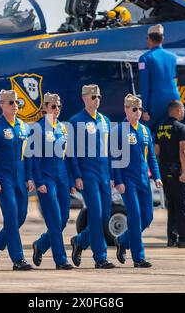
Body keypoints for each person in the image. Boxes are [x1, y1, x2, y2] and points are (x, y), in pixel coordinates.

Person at [0, 90, 35, 271]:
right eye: (11, 103)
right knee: (12, 217)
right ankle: (18, 259)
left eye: (17, 103)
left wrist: (29, 177)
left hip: (20, 177)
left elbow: (28, 155)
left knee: (21, 216)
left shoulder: (24, 127)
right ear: (2, 105)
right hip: (4, 178)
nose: (15, 106)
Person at [68, 84, 116, 269]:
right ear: (84, 98)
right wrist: (77, 176)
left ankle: (79, 241)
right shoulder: (76, 121)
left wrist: (112, 174)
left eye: (99, 97)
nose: (97, 100)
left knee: (104, 216)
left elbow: (110, 150)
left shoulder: (105, 121)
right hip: (87, 173)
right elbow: (71, 152)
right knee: (95, 214)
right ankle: (100, 257)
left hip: (104, 173)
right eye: (93, 97)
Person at [113, 94, 163, 267]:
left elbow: (151, 158)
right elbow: (115, 158)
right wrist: (117, 180)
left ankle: (123, 241)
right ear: (126, 109)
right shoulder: (119, 130)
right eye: (134, 109)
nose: (138, 112)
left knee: (147, 217)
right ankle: (138, 258)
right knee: (134, 217)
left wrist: (157, 176)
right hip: (128, 181)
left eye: (140, 109)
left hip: (143, 179)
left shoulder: (145, 130)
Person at [31, 93, 74, 270]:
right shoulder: (38, 128)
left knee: (64, 218)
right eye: (53, 106)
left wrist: (70, 181)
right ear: (44, 108)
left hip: (62, 176)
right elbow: (32, 159)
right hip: (46, 176)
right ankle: (60, 259)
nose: (56, 110)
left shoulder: (62, 128)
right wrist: (38, 180)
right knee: (55, 219)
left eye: (59, 107)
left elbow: (68, 156)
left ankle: (40, 245)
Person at [155, 100, 185, 248]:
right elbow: (183, 151)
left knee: (172, 205)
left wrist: (159, 171)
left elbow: (156, 152)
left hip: (164, 171)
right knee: (181, 206)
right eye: (183, 109)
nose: (184, 112)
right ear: (179, 111)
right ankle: (184, 238)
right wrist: (184, 172)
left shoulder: (160, 128)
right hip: (177, 171)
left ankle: (171, 238)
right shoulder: (181, 128)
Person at [139, 24, 180, 131]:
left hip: (156, 102)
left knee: (147, 131)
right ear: (163, 39)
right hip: (174, 101)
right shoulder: (172, 57)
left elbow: (145, 85)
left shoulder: (144, 58)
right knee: (172, 133)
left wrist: (145, 109)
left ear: (149, 39)